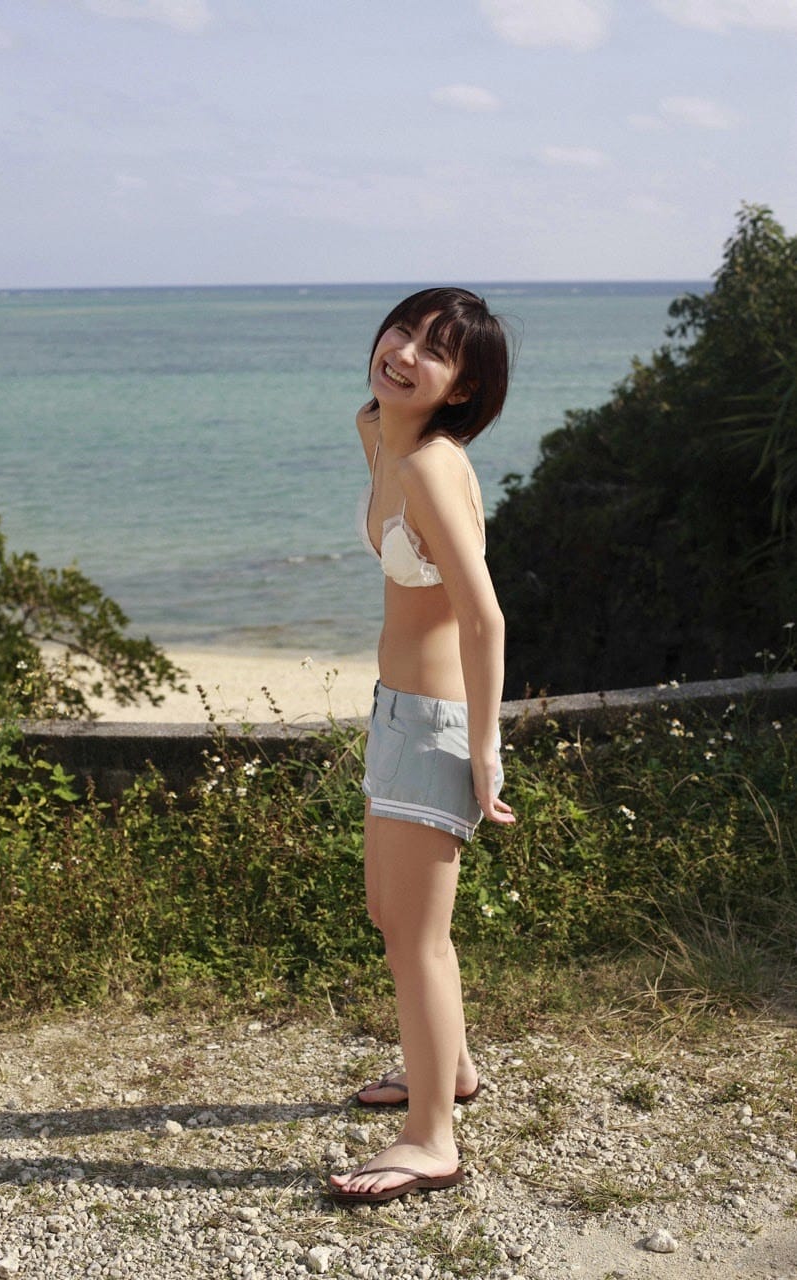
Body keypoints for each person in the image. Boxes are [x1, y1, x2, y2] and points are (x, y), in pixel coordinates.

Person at [328, 288, 516, 1207]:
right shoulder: (387, 439)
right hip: (396, 711)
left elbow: (485, 618)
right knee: (389, 913)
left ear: (463, 387)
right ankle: (451, 1068)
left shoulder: (434, 468)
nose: (403, 353)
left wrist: (484, 747)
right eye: (402, 330)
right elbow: (374, 417)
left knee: (416, 936)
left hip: (438, 722)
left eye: (434, 351)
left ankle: (431, 1138)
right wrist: (382, 420)